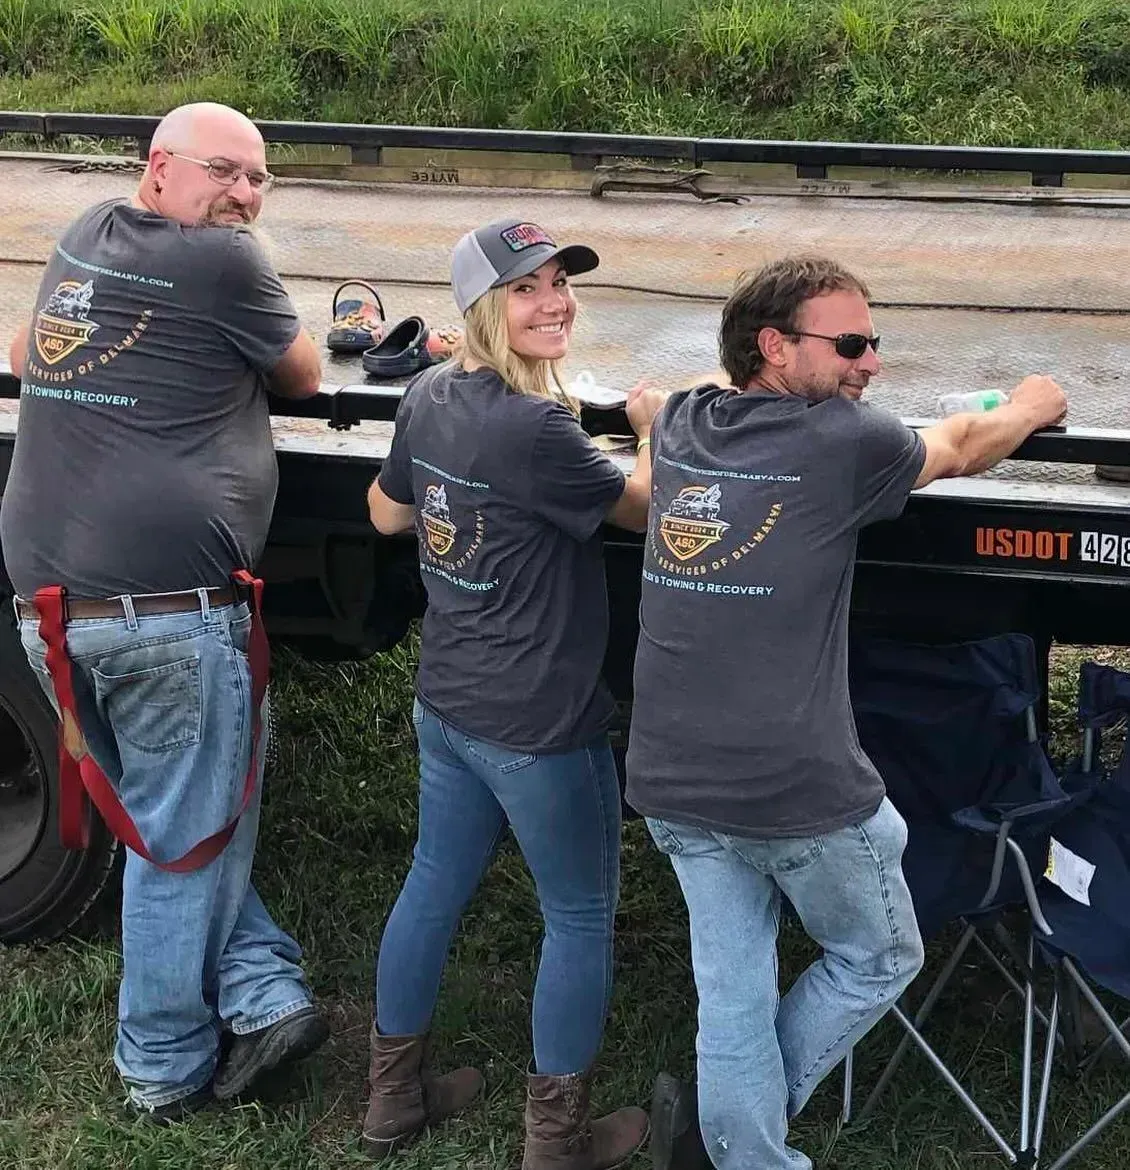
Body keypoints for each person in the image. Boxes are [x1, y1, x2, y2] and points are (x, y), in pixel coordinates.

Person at [626, 255, 1067, 1170]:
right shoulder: (841, 443)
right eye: (853, 344)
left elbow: (662, 398)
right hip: (797, 787)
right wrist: (1028, 405)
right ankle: (738, 1144)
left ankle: (729, 1141)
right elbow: (954, 447)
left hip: (669, 775)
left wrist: (656, 403)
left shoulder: (682, 423)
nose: (871, 364)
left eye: (877, 342)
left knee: (734, 996)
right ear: (776, 348)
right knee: (879, 955)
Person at [1, 102, 328, 1120]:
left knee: (169, 814)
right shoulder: (226, 266)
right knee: (181, 844)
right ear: (159, 169)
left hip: (49, 605)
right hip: (166, 612)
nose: (243, 195)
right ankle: (161, 1069)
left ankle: (264, 989)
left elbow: (23, 348)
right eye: (224, 172)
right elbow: (306, 374)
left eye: (259, 179)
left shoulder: (85, 234)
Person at [365, 217, 665, 1168]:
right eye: (529, 288)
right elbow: (646, 508)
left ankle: (391, 1099)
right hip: (540, 723)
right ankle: (556, 1141)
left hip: (449, 702)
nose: (555, 302)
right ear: (485, 308)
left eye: (561, 284)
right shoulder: (537, 428)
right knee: (577, 915)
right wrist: (653, 425)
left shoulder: (430, 391)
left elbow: (384, 514)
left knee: (433, 884)